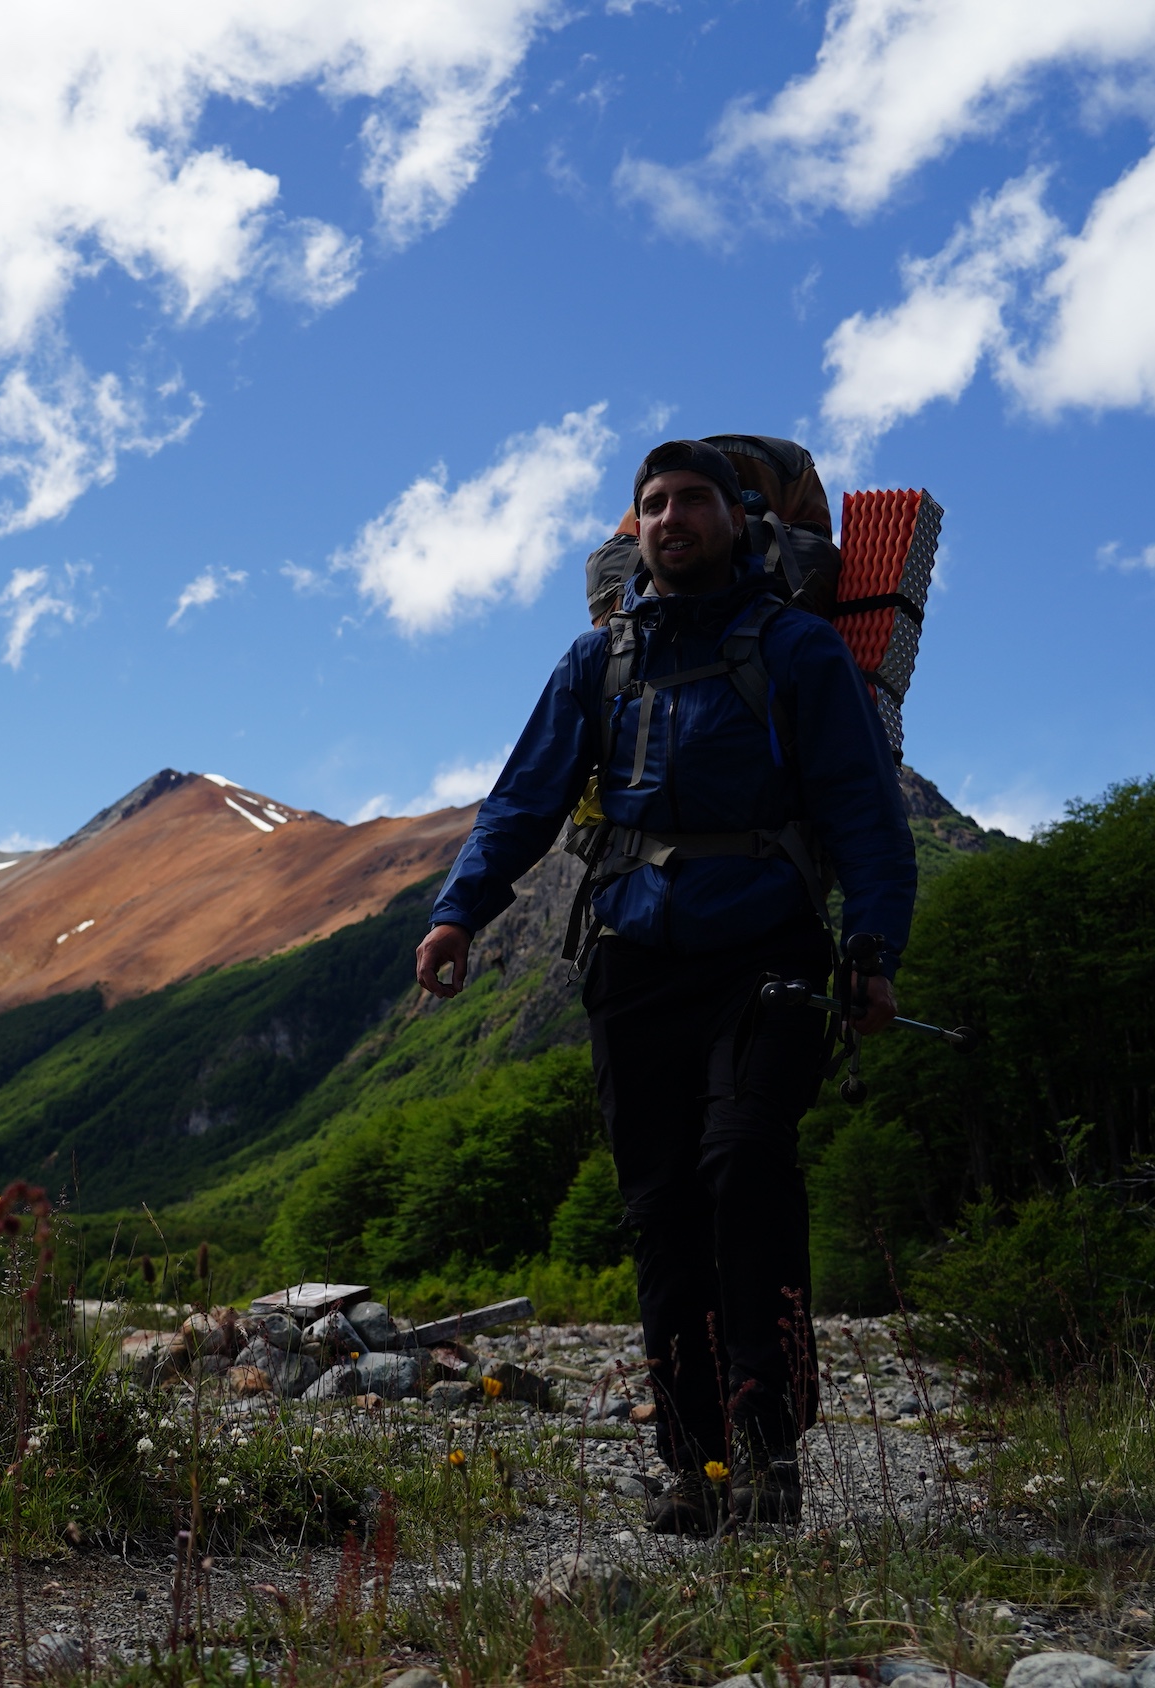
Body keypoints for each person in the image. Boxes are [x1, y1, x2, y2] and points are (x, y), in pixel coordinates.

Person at [414, 440, 916, 1532]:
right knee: (660, 1208)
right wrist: (459, 911)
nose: (672, 518)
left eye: (693, 500)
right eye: (653, 504)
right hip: (632, 959)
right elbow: (523, 800)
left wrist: (872, 947)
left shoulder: (796, 649)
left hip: (769, 953)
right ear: (633, 529)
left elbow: (863, 810)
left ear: (740, 522)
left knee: (744, 1164)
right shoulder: (597, 662)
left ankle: (768, 1446)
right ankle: (697, 1463)